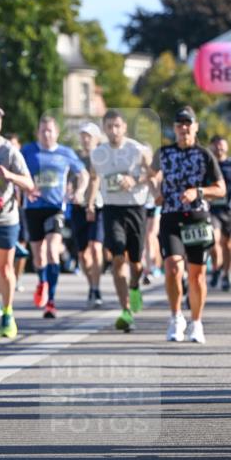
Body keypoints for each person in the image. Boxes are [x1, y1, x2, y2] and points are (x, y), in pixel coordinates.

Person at [149, 107, 225, 343]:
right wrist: (155, 192)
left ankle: (196, 322)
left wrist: (198, 191)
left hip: (197, 218)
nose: (183, 128)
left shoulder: (204, 155)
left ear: (195, 127)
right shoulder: (164, 153)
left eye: (188, 123)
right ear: (174, 128)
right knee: (172, 267)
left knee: (197, 275)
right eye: (179, 124)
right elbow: (151, 175)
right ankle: (175, 317)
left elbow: (220, 188)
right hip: (171, 216)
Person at [88, 109, 152, 332]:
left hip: (135, 208)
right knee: (117, 258)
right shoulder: (98, 153)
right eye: (109, 126)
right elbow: (94, 178)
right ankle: (126, 310)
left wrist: (134, 179)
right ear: (104, 129)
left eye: (117, 126)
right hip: (112, 209)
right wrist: (89, 202)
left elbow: (153, 174)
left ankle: (135, 286)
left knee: (135, 263)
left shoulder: (137, 150)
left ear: (124, 127)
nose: (113, 130)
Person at [22, 116, 88, 318]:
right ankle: (42, 281)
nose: (46, 134)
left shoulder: (65, 153)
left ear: (56, 132)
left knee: (52, 251)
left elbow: (83, 174)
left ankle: (50, 300)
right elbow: (15, 170)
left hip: (55, 208)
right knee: (38, 256)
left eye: (50, 130)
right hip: (32, 208)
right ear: (37, 133)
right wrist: (23, 187)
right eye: (43, 131)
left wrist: (80, 192)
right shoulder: (27, 151)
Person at [0, 105, 33, 339]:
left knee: (4, 268)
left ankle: (8, 313)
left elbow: (29, 184)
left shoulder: (8, 151)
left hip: (5, 218)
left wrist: (9, 176)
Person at [71, 122, 105, 307]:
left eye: (89, 136)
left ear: (97, 139)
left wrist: (91, 204)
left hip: (98, 206)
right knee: (83, 254)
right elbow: (69, 179)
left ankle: (97, 287)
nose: (85, 139)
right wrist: (70, 190)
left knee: (96, 248)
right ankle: (91, 285)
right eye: (83, 135)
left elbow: (98, 180)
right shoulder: (75, 157)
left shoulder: (102, 156)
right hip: (78, 207)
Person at [208, 135, 231, 291]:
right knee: (213, 239)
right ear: (211, 147)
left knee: (228, 245)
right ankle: (216, 268)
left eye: (222, 146)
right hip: (213, 210)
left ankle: (225, 273)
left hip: (230, 210)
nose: (219, 149)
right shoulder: (208, 165)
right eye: (216, 146)